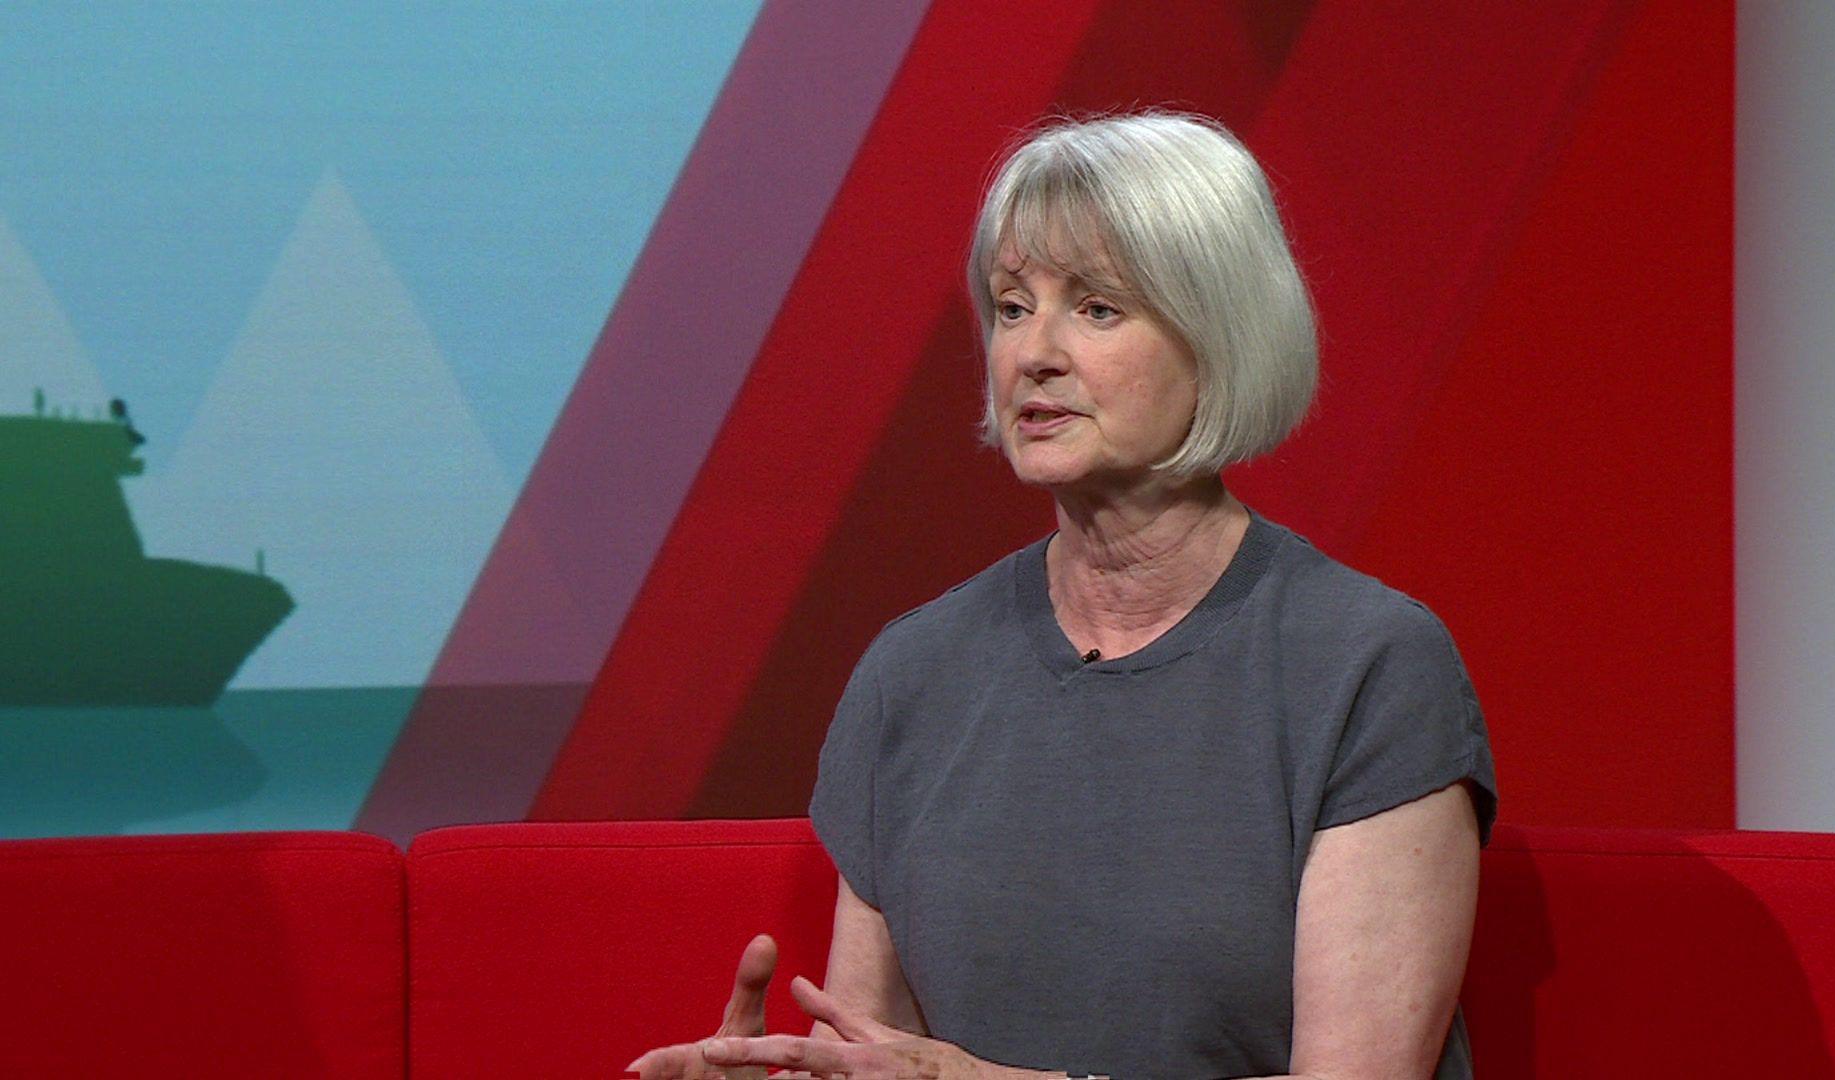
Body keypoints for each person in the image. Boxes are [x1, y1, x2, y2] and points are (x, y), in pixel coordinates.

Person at [629, 110, 1496, 1080]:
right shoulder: (911, 676)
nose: (1033, 352)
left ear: (1220, 338)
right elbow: (877, 1059)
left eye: (1096, 308)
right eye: (1011, 306)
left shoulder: (1367, 667)